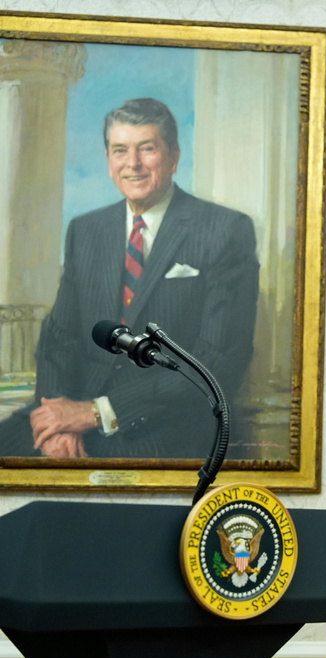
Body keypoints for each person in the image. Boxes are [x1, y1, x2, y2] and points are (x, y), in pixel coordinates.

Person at [0, 97, 259, 459]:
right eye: (120, 150)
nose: (133, 164)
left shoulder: (225, 231)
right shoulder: (86, 230)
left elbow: (215, 359)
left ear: (173, 156)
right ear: (108, 160)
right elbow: (59, 338)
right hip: (74, 414)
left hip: (162, 423)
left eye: (147, 149)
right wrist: (55, 418)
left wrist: (96, 413)